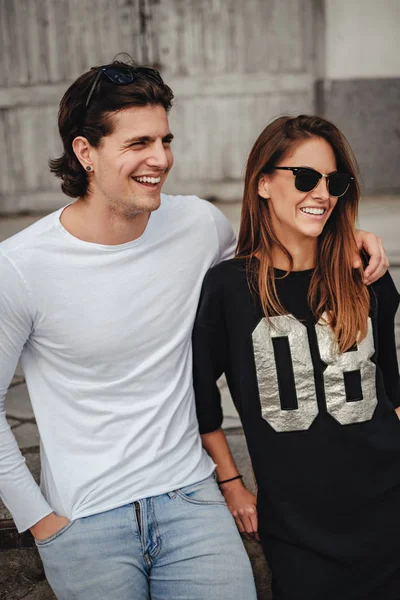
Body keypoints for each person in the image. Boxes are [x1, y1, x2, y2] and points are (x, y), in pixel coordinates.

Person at [0, 60, 386, 599]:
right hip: (84, 516)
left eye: (165, 139)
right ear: (85, 152)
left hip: (191, 498)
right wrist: (39, 520)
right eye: (138, 143)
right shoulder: (20, 266)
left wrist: (345, 236)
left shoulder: (199, 226)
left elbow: (275, 263)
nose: (161, 158)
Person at [192, 114, 400, 600]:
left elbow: (390, 386)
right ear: (263, 183)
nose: (322, 193)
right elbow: (200, 396)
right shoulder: (228, 288)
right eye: (305, 177)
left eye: (335, 181)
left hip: (387, 506)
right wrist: (232, 482)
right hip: (300, 527)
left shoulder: (364, 273)